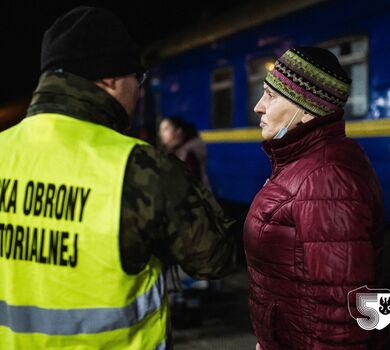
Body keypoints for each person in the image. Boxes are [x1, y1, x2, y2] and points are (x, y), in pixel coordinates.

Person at [0, 6, 237, 350]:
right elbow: (215, 258)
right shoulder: (142, 167)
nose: (139, 92)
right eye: (136, 80)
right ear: (109, 81)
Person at [244, 47, 387, 349]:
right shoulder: (302, 163)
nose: (259, 106)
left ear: (306, 108)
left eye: (271, 95)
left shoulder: (325, 179)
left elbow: (344, 313)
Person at [159, 117, 210, 188]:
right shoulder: (173, 151)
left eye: (166, 129)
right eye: (160, 130)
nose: (161, 134)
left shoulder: (188, 153)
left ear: (178, 131)